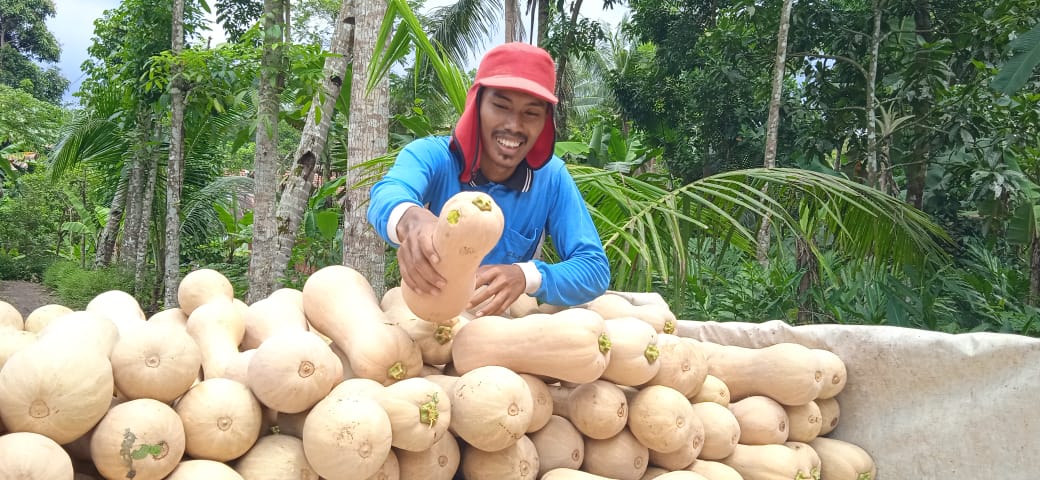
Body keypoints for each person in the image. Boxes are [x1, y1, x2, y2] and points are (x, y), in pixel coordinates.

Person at [367, 42, 610, 317]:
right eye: (501, 106)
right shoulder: (433, 156)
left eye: (531, 113)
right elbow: (387, 193)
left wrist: (525, 275)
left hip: (498, 330)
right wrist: (411, 221)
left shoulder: (551, 178)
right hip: (428, 318)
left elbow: (594, 269)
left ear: (545, 122)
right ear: (477, 105)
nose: (514, 125)